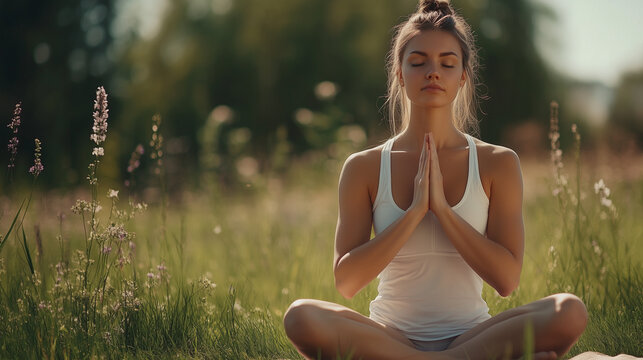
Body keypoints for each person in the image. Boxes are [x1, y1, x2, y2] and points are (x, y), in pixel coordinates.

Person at [283, 1, 588, 359]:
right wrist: (413, 213)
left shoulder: (497, 163)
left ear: (462, 76)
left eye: (446, 63)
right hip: (390, 339)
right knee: (301, 316)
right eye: (418, 62)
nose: (432, 72)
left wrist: (443, 211)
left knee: (568, 311)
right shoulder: (363, 167)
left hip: (472, 337)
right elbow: (346, 282)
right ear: (399, 72)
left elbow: (507, 281)